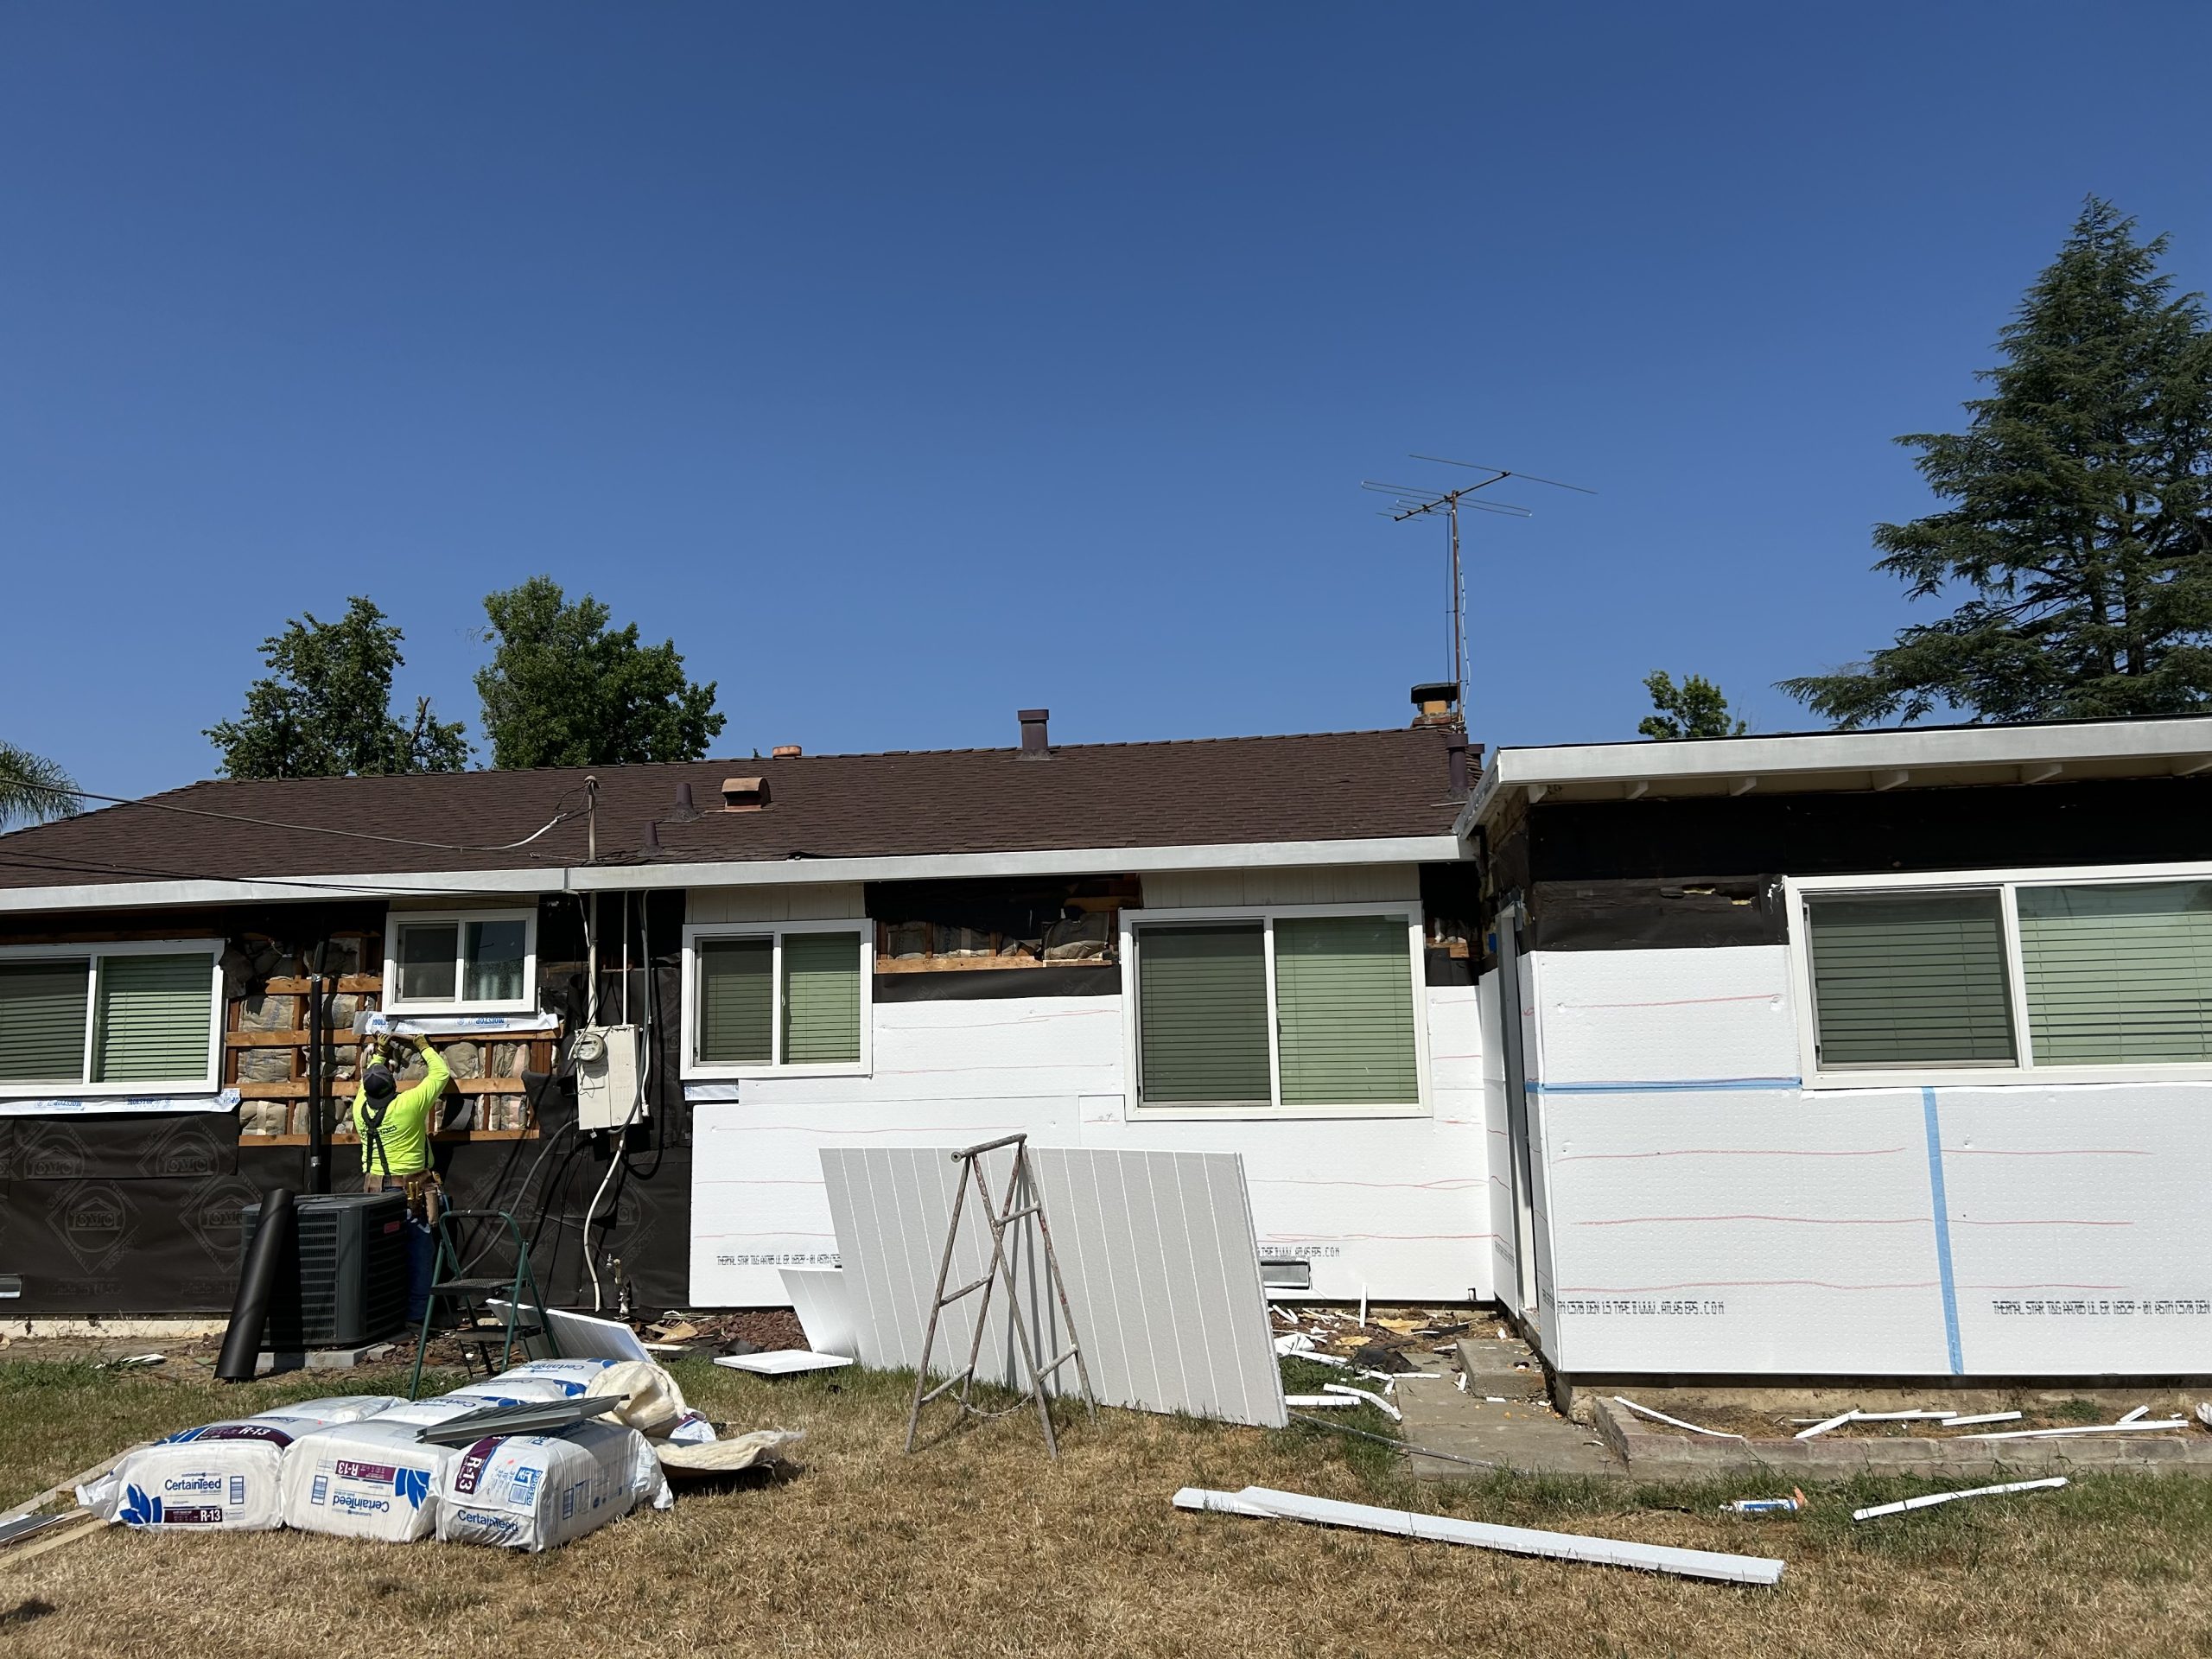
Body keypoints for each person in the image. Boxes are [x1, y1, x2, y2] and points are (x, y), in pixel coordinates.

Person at [353, 1030, 451, 1320]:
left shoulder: (360, 1107)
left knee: (382, 1255)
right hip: (411, 1193)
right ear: (393, 1085)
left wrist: (380, 1052)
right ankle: (418, 1318)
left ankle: (383, 1315)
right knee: (419, 1253)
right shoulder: (408, 1105)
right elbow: (440, 1073)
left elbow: (368, 1081)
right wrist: (422, 1045)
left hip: (374, 1193)